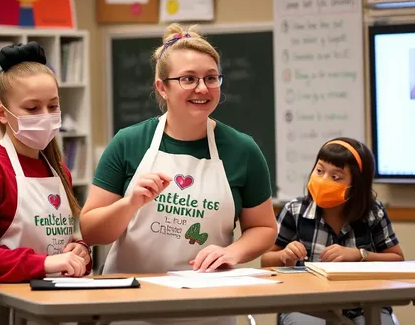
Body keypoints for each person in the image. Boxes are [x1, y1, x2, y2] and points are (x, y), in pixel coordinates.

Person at [79, 24, 278, 325]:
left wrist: (234, 252)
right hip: (129, 305)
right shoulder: (129, 142)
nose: (202, 88)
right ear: (162, 87)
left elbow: (264, 227)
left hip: (208, 308)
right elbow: (91, 231)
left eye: (211, 78)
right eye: (188, 79)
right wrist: (129, 204)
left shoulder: (243, 150)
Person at [0, 42, 92, 325]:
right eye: (32, 108)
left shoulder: (59, 169)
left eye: (53, 106)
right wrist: (42, 264)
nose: (46, 115)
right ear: (2, 113)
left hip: (49, 308)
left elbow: (54, 239)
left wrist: (79, 250)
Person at [261, 138, 404, 325]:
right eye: (319, 171)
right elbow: (266, 260)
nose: (323, 180)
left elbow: (398, 260)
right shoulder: (295, 211)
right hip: (306, 305)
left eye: (335, 177)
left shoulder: (372, 213)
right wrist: (284, 256)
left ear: (357, 185)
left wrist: (360, 255)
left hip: (365, 304)